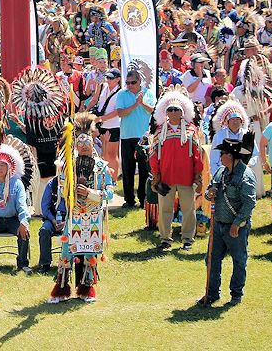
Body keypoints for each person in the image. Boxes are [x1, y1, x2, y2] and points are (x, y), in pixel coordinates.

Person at [49, 112, 114, 303]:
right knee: (67, 251)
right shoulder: (68, 166)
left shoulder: (102, 166)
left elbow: (110, 191)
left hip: (93, 215)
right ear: (75, 144)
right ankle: (61, 290)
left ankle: (86, 289)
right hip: (74, 214)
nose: (84, 146)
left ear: (93, 143)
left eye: (87, 142)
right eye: (80, 142)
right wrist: (70, 188)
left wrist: (91, 193)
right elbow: (61, 188)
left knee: (90, 251)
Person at [199, 136, 257, 306]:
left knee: (239, 260)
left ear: (230, 156)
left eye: (223, 153)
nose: (220, 157)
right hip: (218, 225)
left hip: (235, 227)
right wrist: (210, 193)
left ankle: (236, 294)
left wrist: (237, 223)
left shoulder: (246, 176)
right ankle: (212, 294)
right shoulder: (221, 172)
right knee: (211, 258)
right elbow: (210, 189)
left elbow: (249, 203)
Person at [150, 86, 204, 251]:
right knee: (165, 209)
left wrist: (198, 176)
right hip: (166, 177)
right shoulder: (160, 131)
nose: (173, 112)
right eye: (170, 109)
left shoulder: (190, 131)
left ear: (183, 112)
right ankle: (165, 239)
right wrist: (156, 175)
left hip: (186, 177)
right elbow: (153, 155)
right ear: (165, 112)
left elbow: (197, 155)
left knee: (188, 209)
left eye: (177, 110)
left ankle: (187, 238)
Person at [0, 141, 32, 274]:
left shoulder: (16, 183)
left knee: (23, 229)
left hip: (12, 219)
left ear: (9, 167)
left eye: (2, 165)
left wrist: (24, 221)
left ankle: (23, 263)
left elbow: (22, 205)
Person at [115, 68, 154, 208]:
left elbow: (153, 111)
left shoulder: (148, 93)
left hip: (143, 137)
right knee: (128, 169)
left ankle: (144, 198)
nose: (130, 85)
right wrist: (135, 104)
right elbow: (120, 113)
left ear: (140, 81)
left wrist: (142, 103)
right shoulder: (121, 94)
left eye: (133, 82)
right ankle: (129, 200)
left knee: (144, 169)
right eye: (127, 83)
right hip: (127, 136)